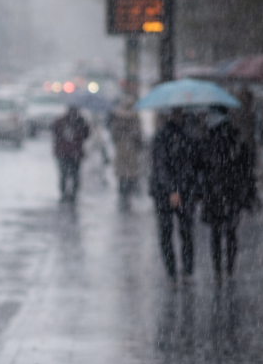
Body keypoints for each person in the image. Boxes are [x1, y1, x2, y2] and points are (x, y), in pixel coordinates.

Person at [199, 107, 255, 278]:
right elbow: (246, 167)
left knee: (217, 233)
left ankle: (220, 269)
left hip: (217, 192)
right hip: (230, 192)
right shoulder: (234, 137)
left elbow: (202, 166)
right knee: (229, 232)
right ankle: (228, 268)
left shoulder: (211, 138)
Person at [149, 108, 199, 280]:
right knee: (167, 232)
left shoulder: (189, 135)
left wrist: (188, 188)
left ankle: (186, 270)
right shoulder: (162, 136)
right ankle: (172, 271)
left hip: (183, 191)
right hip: (166, 192)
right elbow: (160, 166)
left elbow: (193, 165)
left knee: (185, 232)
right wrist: (172, 189)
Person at [108, 97, 142, 208]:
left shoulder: (118, 117)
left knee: (122, 175)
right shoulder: (135, 118)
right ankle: (127, 195)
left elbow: (113, 134)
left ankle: (123, 195)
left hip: (121, 150)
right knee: (130, 174)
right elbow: (139, 135)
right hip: (132, 151)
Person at [52, 106, 90, 202]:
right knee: (74, 174)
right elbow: (86, 134)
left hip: (64, 153)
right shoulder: (80, 122)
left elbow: (54, 132)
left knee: (64, 174)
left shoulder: (61, 122)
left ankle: (65, 193)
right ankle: (72, 193)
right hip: (74, 153)